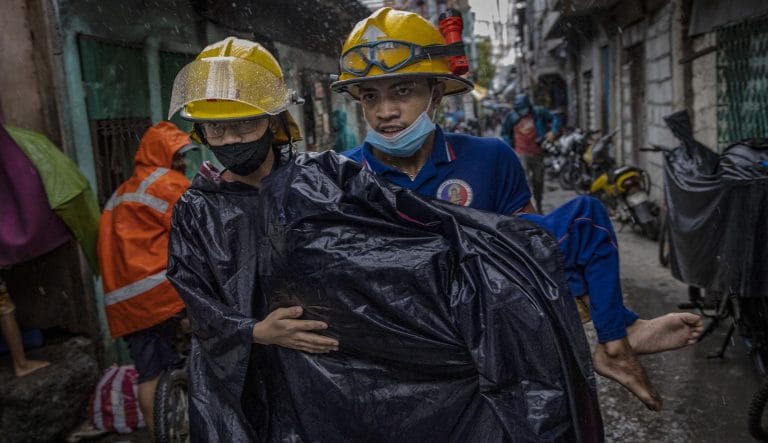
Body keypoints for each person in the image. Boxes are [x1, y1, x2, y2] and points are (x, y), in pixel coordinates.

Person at [331, 7, 703, 411]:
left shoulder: (491, 157)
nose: (385, 111)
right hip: (402, 347)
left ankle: (617, 337)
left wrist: (611, 313)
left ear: (436, 92)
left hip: (489, 336)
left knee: (584, 219)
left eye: (402, 91)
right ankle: (623, 332)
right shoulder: (341, 176)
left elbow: (533, 255)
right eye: (370, 95)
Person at [165, 37, 339, 442]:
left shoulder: (318, 185)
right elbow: (194, 294)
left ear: (274, 122)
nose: (231, 139)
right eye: (217, 127)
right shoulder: (195, 208)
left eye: (245, 122)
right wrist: (253, 332)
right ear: (201, 132)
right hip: (235, 382)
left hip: (321, 366)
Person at [97, 121, 196, 433]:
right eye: (177, 155)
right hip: (161, 291)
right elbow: (198, 229)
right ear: (162, 153)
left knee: (149, 373)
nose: (182, 162)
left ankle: (158, 434)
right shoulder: (167, 183)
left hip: (124, 303)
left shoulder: (120, 194)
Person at [501, 93, 561, 212]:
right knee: (524, 181)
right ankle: (526, 209)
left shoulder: (538, 112)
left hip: (538, 152)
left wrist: (553, 132)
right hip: (521, 152)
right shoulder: (511, 117)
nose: (523, 112)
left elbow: (556, 118)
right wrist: (509, 147)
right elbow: (505, 133)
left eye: (525, 109)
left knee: (538, 180)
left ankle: (539, 204)